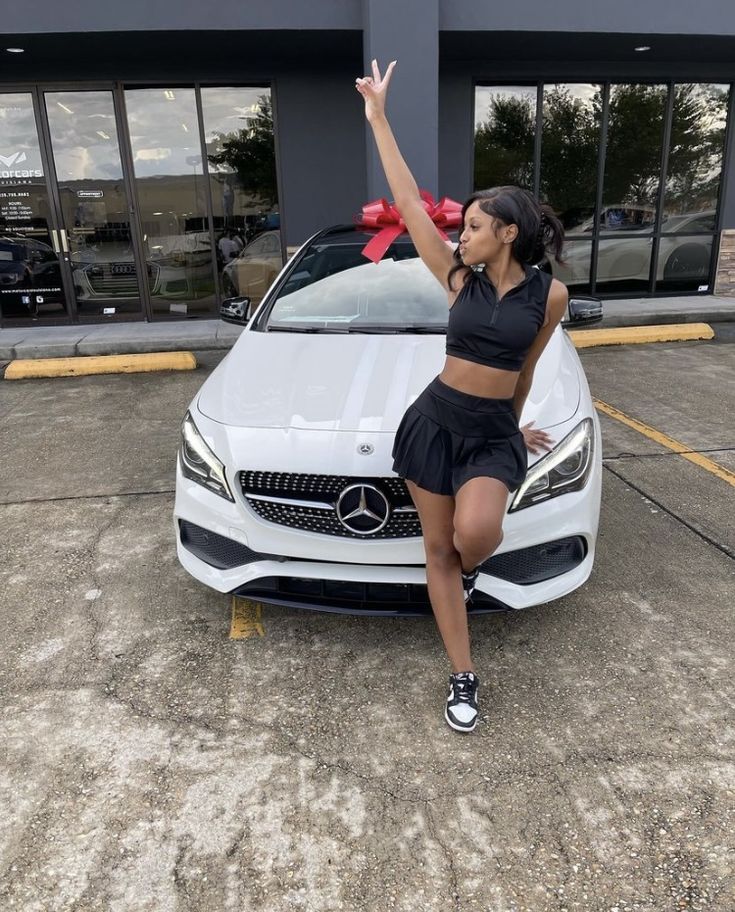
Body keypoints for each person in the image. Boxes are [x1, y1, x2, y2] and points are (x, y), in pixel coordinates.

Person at [355, 59, 569, 733]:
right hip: (434, 423)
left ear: (508, 233)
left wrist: (514, 427)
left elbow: (525, 369)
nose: (462, 235)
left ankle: (466, 574)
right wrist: (379, 119)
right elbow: (411, 205)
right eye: (464, 225)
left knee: (475, 534)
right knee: (438, 548)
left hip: (488, 434)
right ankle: (462, 673)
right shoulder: (456, 280)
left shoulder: (550, 296)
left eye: (475, 226)